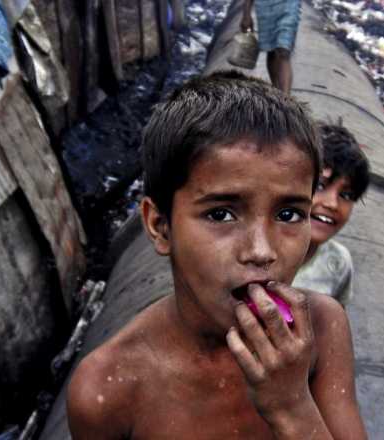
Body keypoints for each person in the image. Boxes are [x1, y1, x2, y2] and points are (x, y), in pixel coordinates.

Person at [66, 71, 366, 439]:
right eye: (221, 214)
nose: (261, 251)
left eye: (288, 215)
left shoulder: (321, 328)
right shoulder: (109, 388)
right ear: (161, 226)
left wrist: (292, 408)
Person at [293, 122, 370, 306]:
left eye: (346, 195)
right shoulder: (249, 250)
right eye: (320, 186)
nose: (332, 203)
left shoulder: (338, 264)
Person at [241, 0, 299, 93]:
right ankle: (277, 92)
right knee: (271, 50)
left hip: (289, 5)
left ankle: (286, 99)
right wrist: (246, 14)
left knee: (283, 51)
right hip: (265, 8)